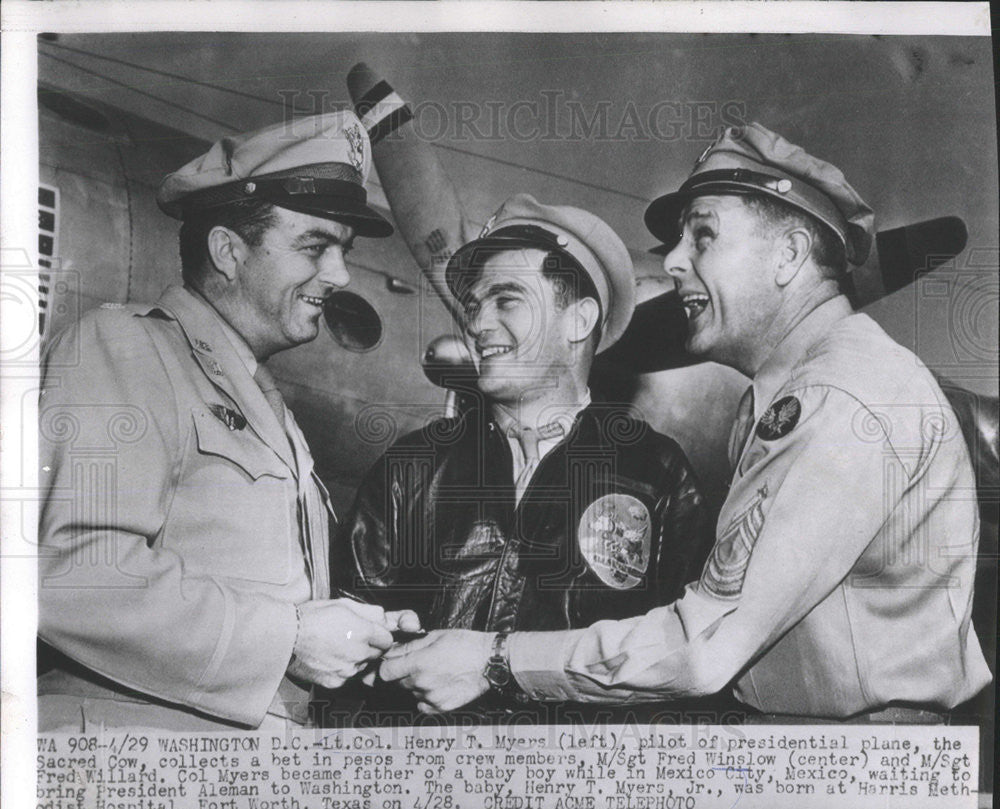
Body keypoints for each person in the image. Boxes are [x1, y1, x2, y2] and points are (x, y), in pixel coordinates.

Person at [381, 124, 991, 720]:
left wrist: (494, 659)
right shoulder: (778, 400)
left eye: (703, 236)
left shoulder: (837, 398)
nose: (673, 262)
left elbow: (703, 645)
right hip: (809, 752)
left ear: (790, 254)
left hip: (854, 770)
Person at [37, 111, 419, 732]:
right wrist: (289, 637)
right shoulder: (126, 347)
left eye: (342, 252)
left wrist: (349, 633)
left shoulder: (265, 405)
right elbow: (71, 571)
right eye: (314, 246)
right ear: (229, 251)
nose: (341, 275)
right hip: (137, 782)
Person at [332, 194, 712, 715]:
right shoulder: (412, 467)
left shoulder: (659, 475)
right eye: (474, 305)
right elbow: (344, 662)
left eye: (507, 300)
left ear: (579, 320)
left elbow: (683, 667)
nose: (477, 324)